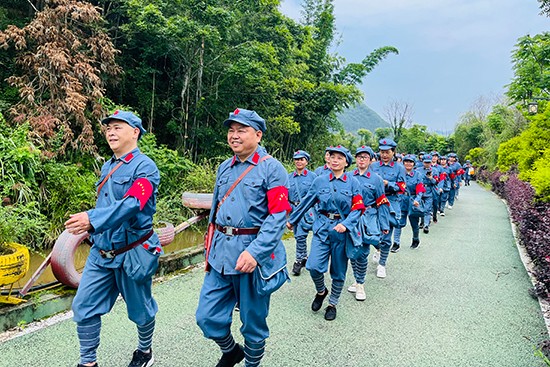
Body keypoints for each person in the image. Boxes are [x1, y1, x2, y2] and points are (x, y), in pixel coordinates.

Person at [195, 108, 291, 367]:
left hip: (251, 255)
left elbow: (277, 216)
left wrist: (256, 253)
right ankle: (231, 351)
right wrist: (209, 246)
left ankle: (252, 363)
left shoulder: (273, 169)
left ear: (258, 135)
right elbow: (216, 210)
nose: (234, 135)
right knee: (207, 317)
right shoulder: (224, 167)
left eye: (242, 130)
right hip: (220, 256)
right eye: (231, 130)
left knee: (252, 322)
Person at [65, 110, 161, 367]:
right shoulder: (108, 165)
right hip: (102, 252)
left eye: (118, 127)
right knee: (83, 306)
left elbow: (133, 204)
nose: (111, 132)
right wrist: (93, 226)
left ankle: (144, 352)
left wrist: (92, 219)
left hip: (133, 252)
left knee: (141, 312)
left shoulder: (146, 167)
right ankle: (88, 362)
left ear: (135, 132)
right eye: (108, 128)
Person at [288, 145, 365, 320]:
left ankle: (333, 303)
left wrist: (346, 224)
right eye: (332, 157)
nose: (335, 160)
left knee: (338, 271)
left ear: (346, 162)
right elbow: (306, 203)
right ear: (328, 159)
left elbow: (358, 207)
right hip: (322, 228)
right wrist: (292, 220)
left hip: (341, 231)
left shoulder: (353, 182)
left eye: (339, 158)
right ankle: (321, 291)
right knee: (313, 266)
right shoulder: (319, 181)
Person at [347, 146, 390, 301]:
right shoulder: (348, 176)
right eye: (359, 157)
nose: (361, 160)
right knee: (353, 252)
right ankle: (356, 279)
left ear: (371, 159)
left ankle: (360, 284)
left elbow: (382, 202)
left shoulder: (376, 179)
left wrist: (384, 225)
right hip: (352, 218)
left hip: (369, 218)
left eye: (365, 157)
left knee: (364, 252)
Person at [370, 138, 406, 278]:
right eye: (382, 152)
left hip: (391, 202)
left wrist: (388, 184)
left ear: (393, 152)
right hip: (375, 202)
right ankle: (378, 248)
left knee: (386, 234)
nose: (384, 155)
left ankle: (382, 264)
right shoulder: (373, 167)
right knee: (372, 233)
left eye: (387, 152)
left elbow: (402, 187)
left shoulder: (399, 168)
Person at [287, 150, 317, 275]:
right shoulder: (288, 177)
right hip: (294, 210)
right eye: (296, 159)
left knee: (308, 235)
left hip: (307, 210)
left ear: (306, 161)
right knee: (298, 236)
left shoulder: (313, 177)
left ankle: (306, 260)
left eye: (301, 159)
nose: (299, 162)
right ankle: (302, 258)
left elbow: (317, 195)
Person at [402, 154, 426, 248]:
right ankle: (396, 243)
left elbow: (420, 189)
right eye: (406, 161)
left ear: (414, 164)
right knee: (398, 222)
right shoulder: (400, 174)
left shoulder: (418, 175)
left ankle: (415, 239)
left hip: (413, 199)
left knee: (414, 223)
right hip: (402, 199)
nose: (408, 163)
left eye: (411, 162)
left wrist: (417, 200)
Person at [418, 154, 438, 234]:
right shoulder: (418, 170)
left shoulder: (435, 171)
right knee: (420, 208)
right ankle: (422, 221)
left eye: (428, 162)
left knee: (427, 209)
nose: (427, 164)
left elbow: (436, 182)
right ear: (423, 162)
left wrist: (431, 178)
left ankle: (426, 225)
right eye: (425, 162)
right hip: (420, 190)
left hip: (429, 191)